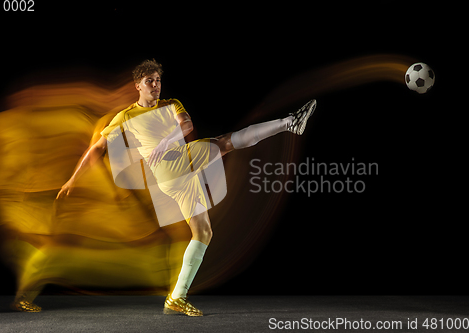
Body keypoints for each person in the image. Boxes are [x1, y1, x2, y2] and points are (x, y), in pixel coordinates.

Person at [57, 59, 316, 316]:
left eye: (158, 80)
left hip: (180, 174)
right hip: (168, 168)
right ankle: (289, 123)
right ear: (138, 85)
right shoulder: (126, 116)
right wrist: (72, 180)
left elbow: (187, 126)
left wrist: (165, 141)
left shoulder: (171, 104)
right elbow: (98, 148)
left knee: (203, 232)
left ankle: (176, 297)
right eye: (150, 81)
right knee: (223, 143)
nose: (156, 85)